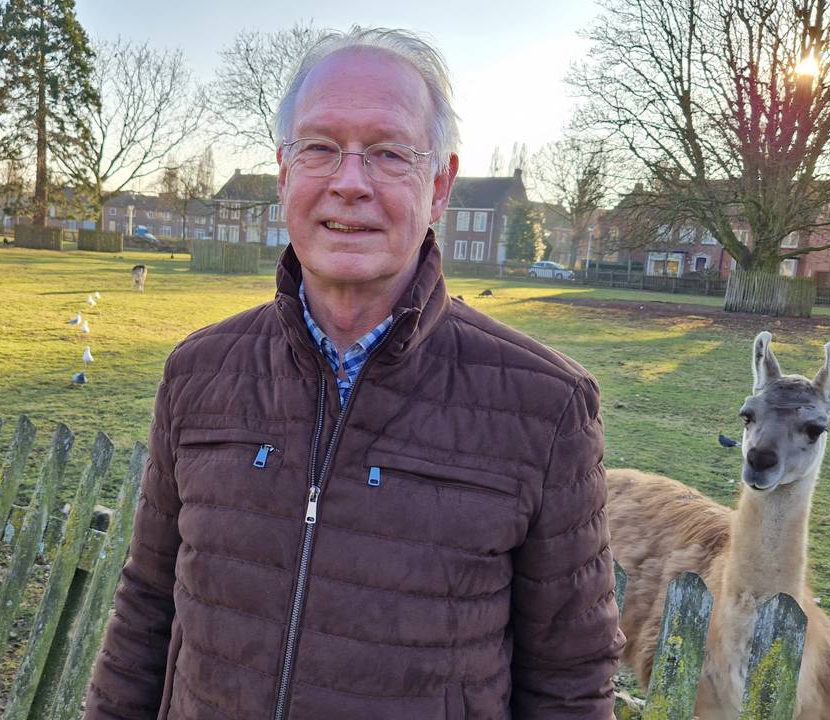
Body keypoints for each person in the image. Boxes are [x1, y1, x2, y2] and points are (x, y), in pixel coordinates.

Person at [87, 27, 623, 719]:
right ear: (284, 174)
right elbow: (147, 610)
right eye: (319, 148)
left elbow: (570, 681)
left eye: (389, 153)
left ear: (439, 187)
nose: (348, 182)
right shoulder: (198, 374)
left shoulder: (546, 408)